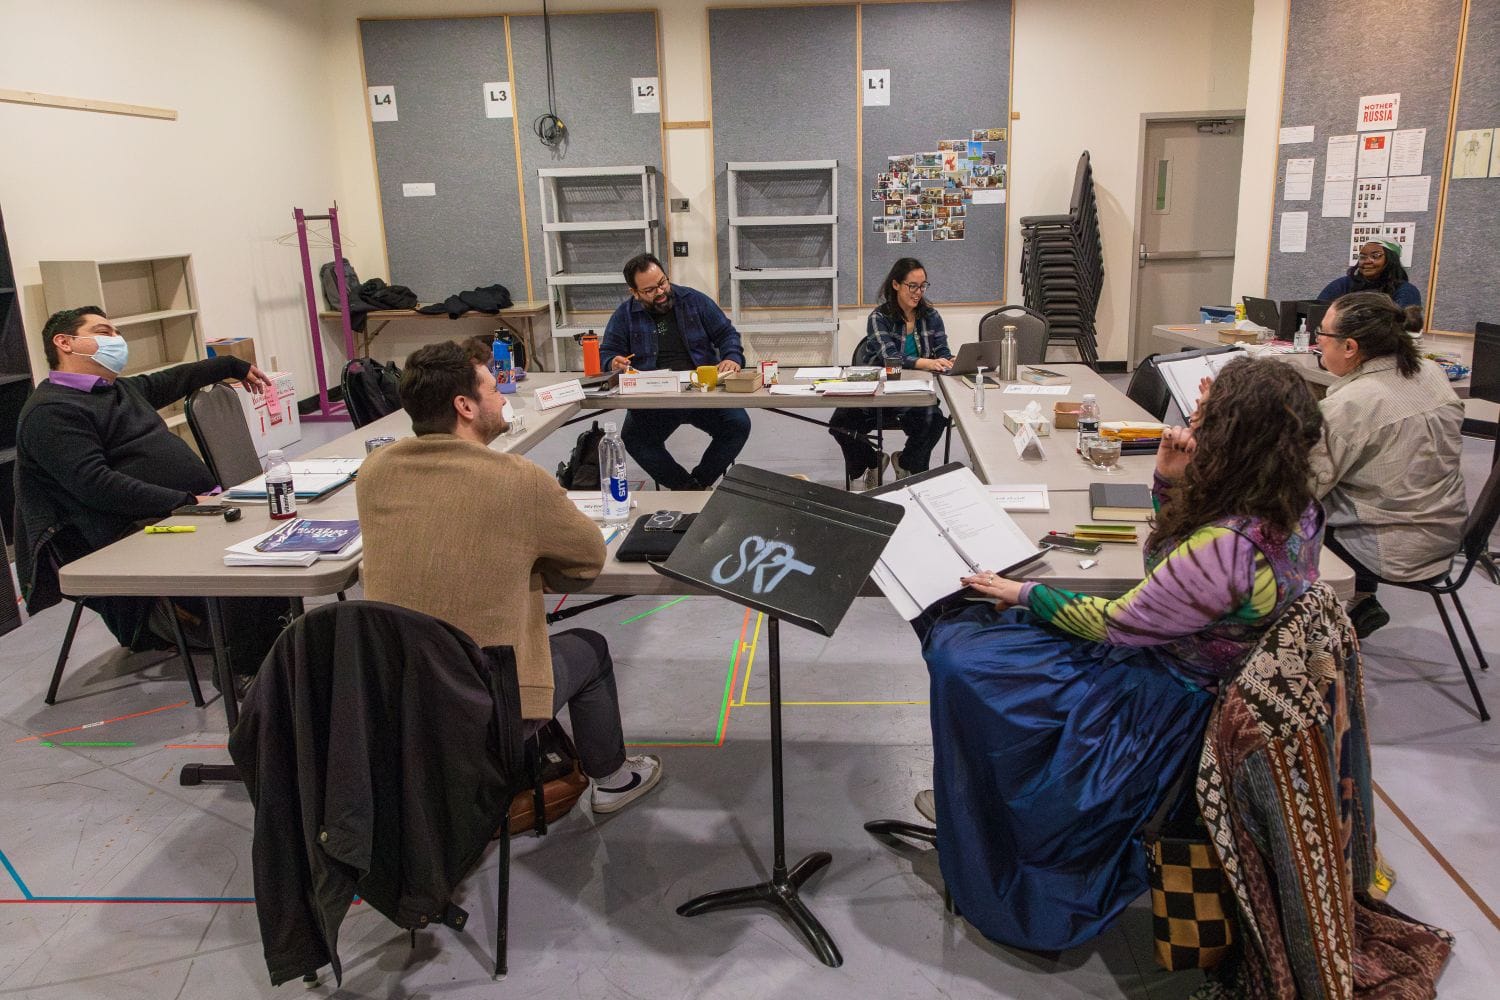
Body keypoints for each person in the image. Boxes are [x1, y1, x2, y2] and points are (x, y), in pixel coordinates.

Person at [912, 358, 1325, 952]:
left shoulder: (1227, 548)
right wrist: (1167, 481)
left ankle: (986, 806)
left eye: (1210, 409)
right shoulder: (1295, 509)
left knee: (967, 655)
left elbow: (1121, 623)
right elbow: (1174, 580)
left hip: (1167, 697)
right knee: (979, 646)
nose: (1196, 411)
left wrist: (1024, 593)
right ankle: (974, 790)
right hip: (1190, 665)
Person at [356, 339, 662, 815]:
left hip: (397, 699)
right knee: (589, 648)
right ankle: (614, 780)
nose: (503, 396)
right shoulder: (518, 479)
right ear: (464, 406)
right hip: (485, 702)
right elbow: (585, 561)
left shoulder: (374, 472)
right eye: (492, 388)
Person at [14, 306, 286, 673]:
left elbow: (172, 379)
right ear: (64, 342)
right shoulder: (50, 413)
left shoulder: (115, 389)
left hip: (182, 512)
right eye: (103, 331)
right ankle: (244, 668)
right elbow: (98, 486)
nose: (116, 340)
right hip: (135, 535)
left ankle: (277, 637)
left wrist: (232, 366)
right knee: (240, 566)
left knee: (274, 537)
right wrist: (186, 502)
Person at [1310, 291, 1466, 638]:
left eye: (1322, 333)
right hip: (1444, 535)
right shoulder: (1430, 372)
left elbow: (1304, 486)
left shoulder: (1352, 404)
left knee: (1275, 516)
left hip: (1391, 550)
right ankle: (1362, 600)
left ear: (1350, 347)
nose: (1317, 342)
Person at [599, 254, 749, 490]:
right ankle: (686, 488)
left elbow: (727, 334)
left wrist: (732, 357)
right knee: (635, 439)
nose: (660, 292)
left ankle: (700, 481)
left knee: (737, 425)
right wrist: (612, 362)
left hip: (703, 392)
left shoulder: (695, 301)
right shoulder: (624, 315)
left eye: (662, 282)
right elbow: (607, 352)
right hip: (655, 399)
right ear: (634, 292)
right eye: (649, 290)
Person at [829, 258, 953, 487]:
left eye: (923, 286)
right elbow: (891, 358)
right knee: (840, 423)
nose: (918, 292)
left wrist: (950, 361)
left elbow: (943, 351)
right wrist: (926, 363)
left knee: (934, 421)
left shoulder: (931, 316)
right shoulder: (879, 318)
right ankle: (873, 461)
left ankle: (906, 463)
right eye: (912, 286)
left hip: (913, 393)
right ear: (896, 285)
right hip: (878, 393)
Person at [1318, 240, 1423, 331]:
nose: (1367, 261)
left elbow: (1402, 326)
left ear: (1391, 260)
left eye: (1375, 256)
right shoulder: (1343, 284)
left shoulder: (1406, 291)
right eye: (1362, 257)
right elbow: (1317, 312)